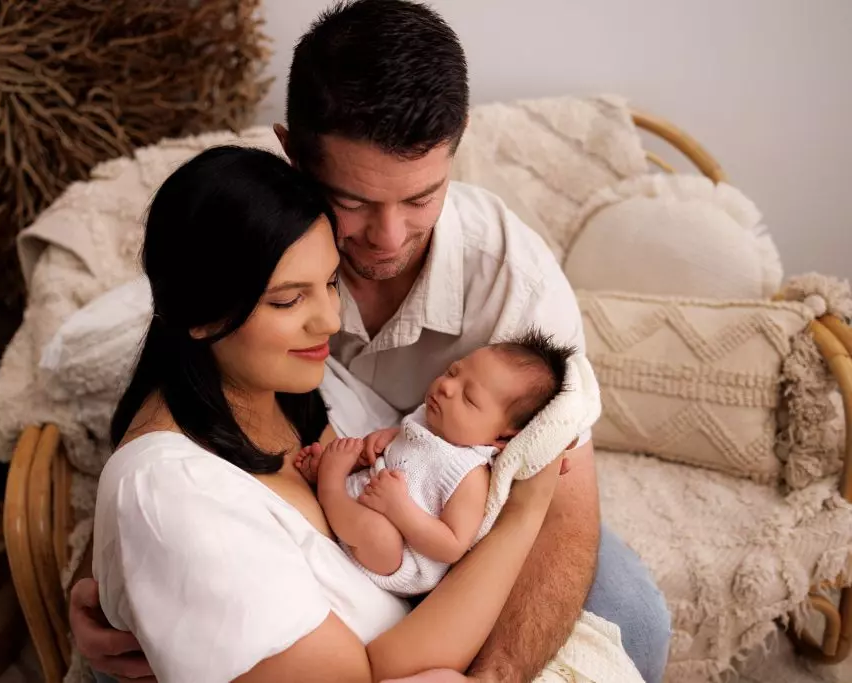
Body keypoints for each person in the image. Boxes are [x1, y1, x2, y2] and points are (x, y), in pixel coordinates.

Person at [72, 2, 672, 682]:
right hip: (352, 545)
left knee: (636, 615)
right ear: (293, 155)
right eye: (354, 202)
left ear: (457, 144)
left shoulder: (513, 282)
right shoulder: (262, 245)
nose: (387, 240)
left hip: (445, 517)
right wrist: (119, 583)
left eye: (421, 197)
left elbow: (558, 494)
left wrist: (492, 676)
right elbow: (171, 402)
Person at [93, 144, 564, 682]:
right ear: (199, 316)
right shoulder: (172, 494)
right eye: (288, 300)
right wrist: (525, 513)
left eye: (332, 283)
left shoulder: (307, 386)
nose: (331, 321)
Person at [295, 332, 575, 597]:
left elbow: (452, 545)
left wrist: (399, 508)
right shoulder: (429, 420)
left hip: (398, 556)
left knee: (380, 534)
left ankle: (330, 489)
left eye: (469, 398)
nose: (446, 386)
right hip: (369, 501)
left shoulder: (470, 475)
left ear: (501, 437)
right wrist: (379, 442)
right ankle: (332, 477)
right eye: (453, 372)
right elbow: (405, 452)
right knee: (354, 454)